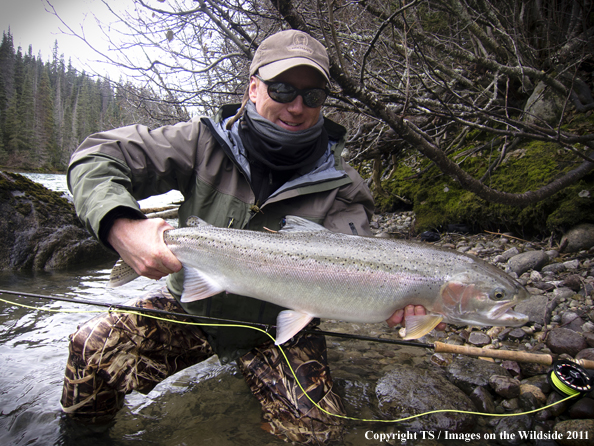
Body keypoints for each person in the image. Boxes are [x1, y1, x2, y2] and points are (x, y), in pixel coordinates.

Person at [61, 29, 442, 443]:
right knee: (91, 348)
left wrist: (396, 300)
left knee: (315, 433)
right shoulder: (201, 142)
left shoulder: (344, 187)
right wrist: (121, 225)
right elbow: (95, 157)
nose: (296, 107)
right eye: (282, 89)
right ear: (253, 87)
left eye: (312, 96)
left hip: (274, 328)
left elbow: (360, 268)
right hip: (193, 309)